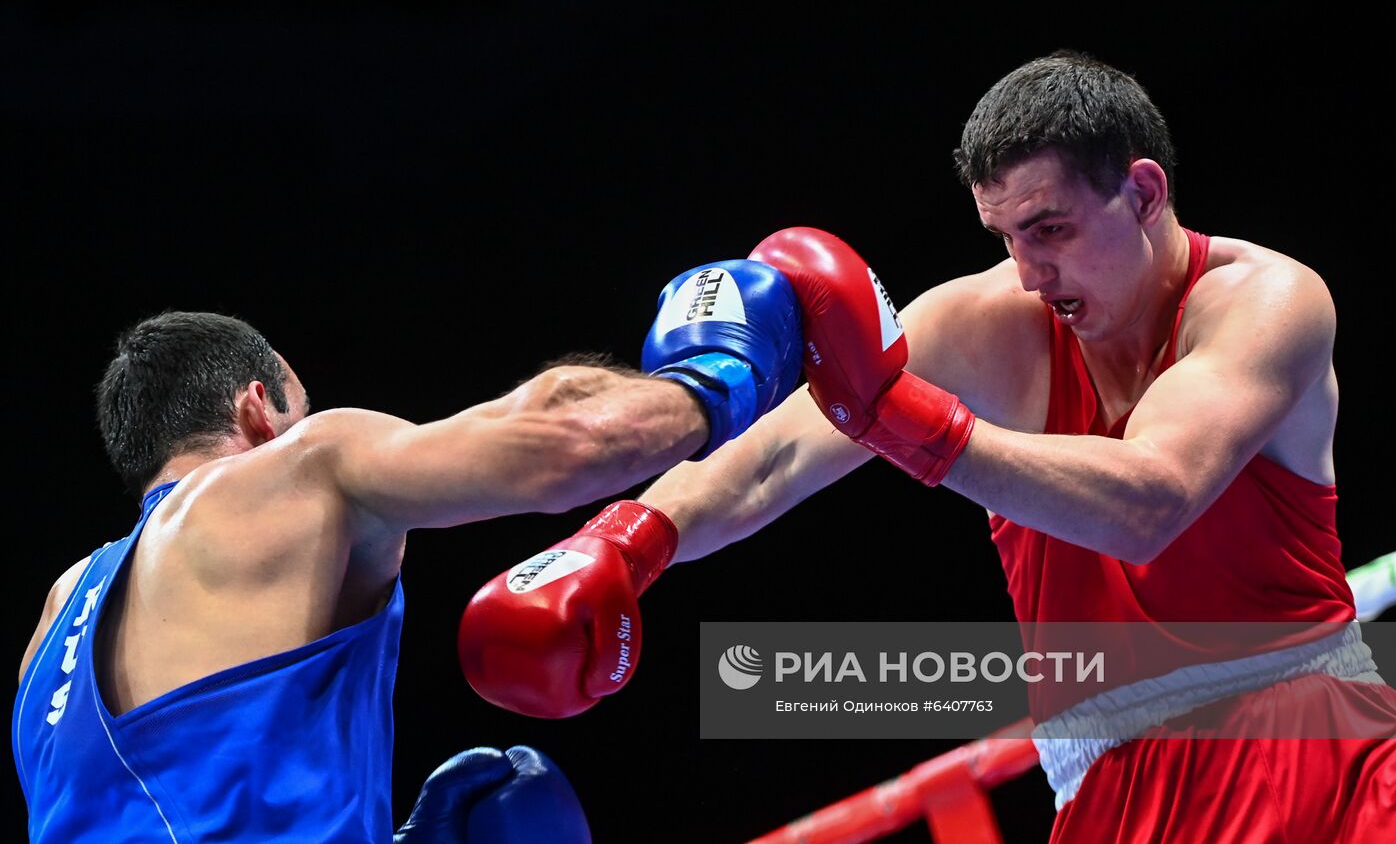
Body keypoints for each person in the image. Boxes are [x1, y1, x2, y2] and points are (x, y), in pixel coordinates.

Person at [463, 52, 1396, 841]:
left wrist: (899, 416)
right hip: (1114, 787)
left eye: (1050, 229)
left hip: (1325, 742)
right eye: (1004, 236)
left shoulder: (1266, 302)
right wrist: (627, 542)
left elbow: (1152, 497)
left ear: (1143, 191)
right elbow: (777, 457)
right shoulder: (983, 320)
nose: (1032, 271)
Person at [12, 256, 804, 842]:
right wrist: (717, 371)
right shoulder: (293, 466)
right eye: (299, 405)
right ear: (259, 407)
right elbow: (563, 442)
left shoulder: (57, 618)